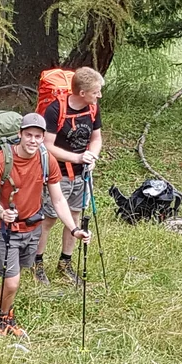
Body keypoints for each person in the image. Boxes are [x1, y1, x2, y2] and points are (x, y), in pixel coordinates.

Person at [0, 113, 88, 338]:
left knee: (15, 277)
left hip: (33, 229)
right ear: (20, 135)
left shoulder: (46, 159)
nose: (33, 140)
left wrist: (74, 228)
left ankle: (6, 313)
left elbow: (59, 199)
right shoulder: (0, 160)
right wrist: (3, 213)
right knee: (11, 282)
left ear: (43, 138)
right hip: (6, 231)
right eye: (29, 135)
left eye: (38, 136)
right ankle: (1, 320)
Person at [38, 65, 105, 285]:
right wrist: (77, 158)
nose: (99, 95)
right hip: (58, 174)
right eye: (96, 92)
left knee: (74, 217)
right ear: (82, 92)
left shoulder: (93, 108)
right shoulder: (55, 110)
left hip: (81, 175)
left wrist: (92, 157)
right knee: (49, 219)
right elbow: (47, 146)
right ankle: (37, 263)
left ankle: (65, 262)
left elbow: (96, 138)